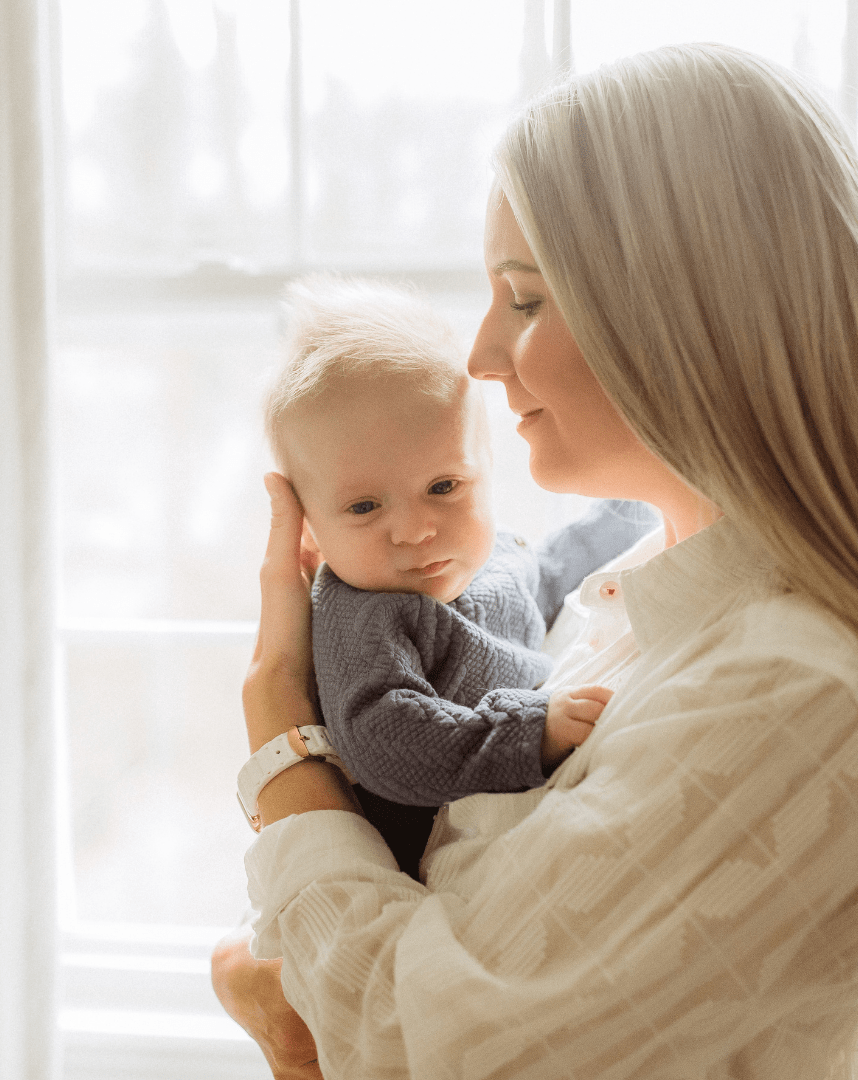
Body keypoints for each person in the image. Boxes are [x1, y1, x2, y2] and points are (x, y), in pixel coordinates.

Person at [212, 43, 858, 1080]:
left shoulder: (795, 695)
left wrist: (281, 733)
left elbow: (423, 1045)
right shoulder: (632, 605)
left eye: (526, 297)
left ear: (685, 317)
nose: (480, 354)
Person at [262, 276, 657, 876]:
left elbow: (552, 575)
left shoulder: (495, 559)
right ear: (309, 532)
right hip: (403, 876)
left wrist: (635, 500)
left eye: (444, 487)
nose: (417, 530)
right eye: (365, 507)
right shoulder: (364, 613)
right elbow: (385, 738)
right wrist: (529, 732)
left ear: (485, 469)